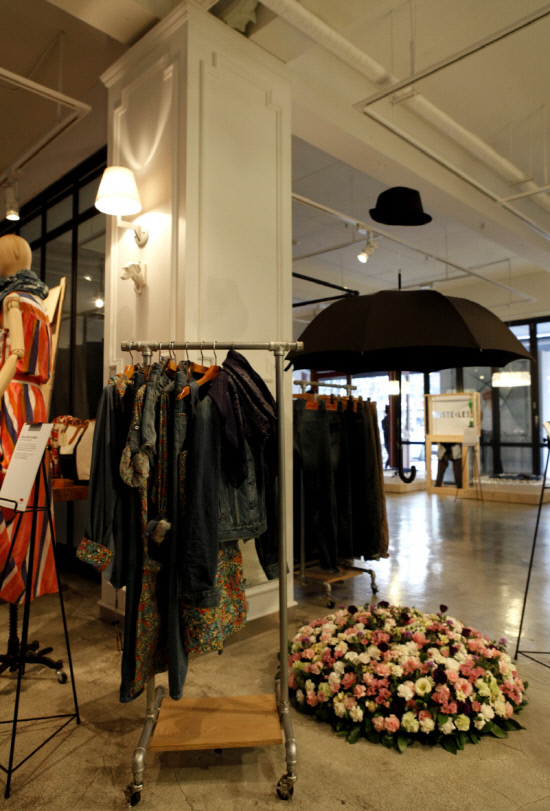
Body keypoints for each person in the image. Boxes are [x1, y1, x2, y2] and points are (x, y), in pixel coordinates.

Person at [0, 234, 57, 604]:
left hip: (12, 395)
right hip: (33, 400)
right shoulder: (40, 302)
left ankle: (10, 578)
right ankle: (26, 576)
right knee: (29, 491)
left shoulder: (13, 298)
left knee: (8, 486)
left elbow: (16, 353)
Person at [381, 404, 390, 468]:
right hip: (387, 440)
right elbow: (386, 429)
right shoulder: (384, 421)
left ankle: (386, 466)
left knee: (391, 455)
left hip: (388, 440)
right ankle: (386, 466)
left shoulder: (386, 420)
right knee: (390, 454)